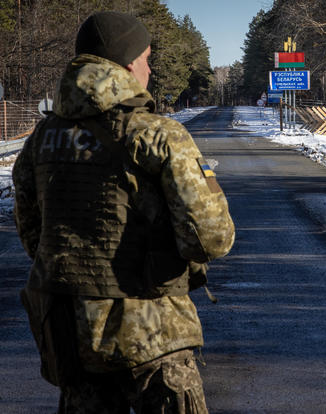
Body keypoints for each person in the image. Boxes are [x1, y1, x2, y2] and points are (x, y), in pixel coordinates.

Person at [12, 11, 235, 413]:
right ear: (128, 62)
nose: (149, 68)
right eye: (147, 57)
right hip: (153, 333)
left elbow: (32, 234)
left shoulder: (40, 140)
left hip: (70, 333)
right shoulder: (157, 134)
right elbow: (211, 238)